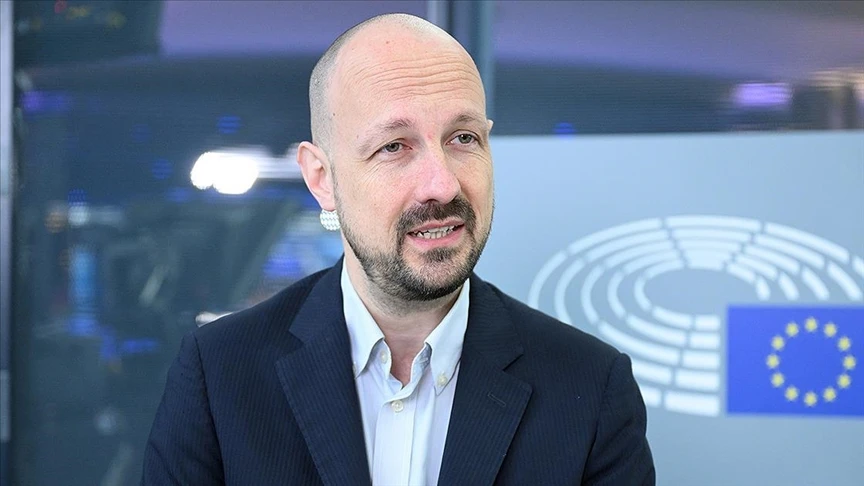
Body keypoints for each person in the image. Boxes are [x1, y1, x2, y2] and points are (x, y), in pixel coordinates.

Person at [142, 13, 654, 486]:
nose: (442, 185)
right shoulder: (220, 375)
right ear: (322, 178)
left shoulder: (589, 389)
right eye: (394, 146)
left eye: (463, 138)